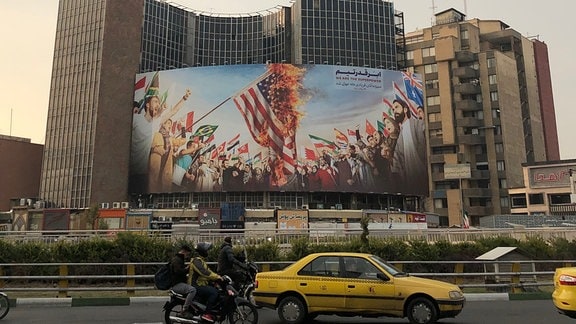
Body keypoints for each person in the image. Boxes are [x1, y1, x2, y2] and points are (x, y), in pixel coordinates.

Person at [189, 242, 222, 323]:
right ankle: (207, 314)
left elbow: (209, 271)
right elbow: (204, 272)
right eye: (207, 251)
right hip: (195, 285)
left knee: (216, 289)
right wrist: (217, 277)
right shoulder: (196, 261)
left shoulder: (201, 260)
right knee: (214, 292)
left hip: (201, 284)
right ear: (202, 251)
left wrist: (218, 276)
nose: (208, 252)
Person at [169, 245, 197, 319]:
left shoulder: (179, 259)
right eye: (187, 254)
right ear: (184, 251)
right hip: (177, 284)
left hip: (179, 282)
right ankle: (185, 309)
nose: (187, 256)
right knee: (192, 290)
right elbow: (178, 271)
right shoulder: (177, 260)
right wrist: (187, 268)